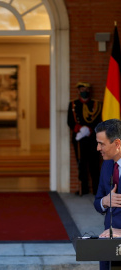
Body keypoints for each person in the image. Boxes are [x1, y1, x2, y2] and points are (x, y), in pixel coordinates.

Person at [94, 119, 121, 269]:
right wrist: (105, 201)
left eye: (102, 144)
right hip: (108, 250)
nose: (98, 148)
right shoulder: (107, 165)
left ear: (117, 144)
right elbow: (97, 202)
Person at [67, 82, 102, 195]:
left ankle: (97, 190)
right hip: (80, 139)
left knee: (94, 164)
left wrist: (90, 129)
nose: (84, 91)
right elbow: (70, 121)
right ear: (78, 91)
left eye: (86, 89)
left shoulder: (97, 105)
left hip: (93, 138)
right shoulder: (73, 104)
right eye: (82, 89)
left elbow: (100, 121)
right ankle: (83, 189)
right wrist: (79, 128)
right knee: (81, 164)